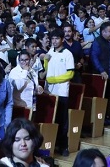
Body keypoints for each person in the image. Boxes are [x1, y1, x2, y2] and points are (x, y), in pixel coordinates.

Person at [44, 28, 74, 156]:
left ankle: (63, 146)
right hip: (49, 90)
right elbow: (48, 68)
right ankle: (51, 145)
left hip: (61, 91)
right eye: (52, 39)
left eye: (57, 38)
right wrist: (45, 60)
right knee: (51, 118)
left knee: (62, 121)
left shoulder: (67, 53)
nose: (54, 41)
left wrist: (54, 80)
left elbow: (70, 73)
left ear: (62, 39)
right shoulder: (50, 51)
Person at [90, 22, 110, 124]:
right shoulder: (97, 42)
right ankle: (101, 118)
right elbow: (94, 57)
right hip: (102, 75)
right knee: (103, 98)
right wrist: (101, 70)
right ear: (103, 32)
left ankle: (107, 116)